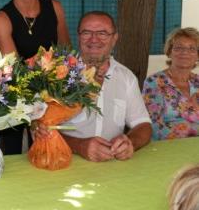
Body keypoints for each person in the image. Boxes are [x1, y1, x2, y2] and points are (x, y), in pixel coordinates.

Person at [0, 0, 71, 155]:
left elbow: (66, 54)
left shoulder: (55, 7)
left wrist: (56, 94)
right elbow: (15, 71)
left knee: (53, 155)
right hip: (17, 98)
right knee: (13, 157)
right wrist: (35, 112)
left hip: (54, 95)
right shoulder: (2, 18)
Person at [57, 11, 152, 162]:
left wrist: (130, 143)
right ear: (79, 36)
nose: (94, 39)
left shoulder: (126, 77)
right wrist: (79, 146)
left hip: (113, 165)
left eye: (102, 33)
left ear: (114, 38)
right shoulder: (57, 74)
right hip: (63, 162)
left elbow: (143, 124)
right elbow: (38, 129)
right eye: (87, 32)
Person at [142, 27, 199, 140]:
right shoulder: (154, 82)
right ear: (169, 52)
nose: (185, 52)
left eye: (192, 48)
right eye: (178, 48)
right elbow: (153, 124)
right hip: (166, 147)